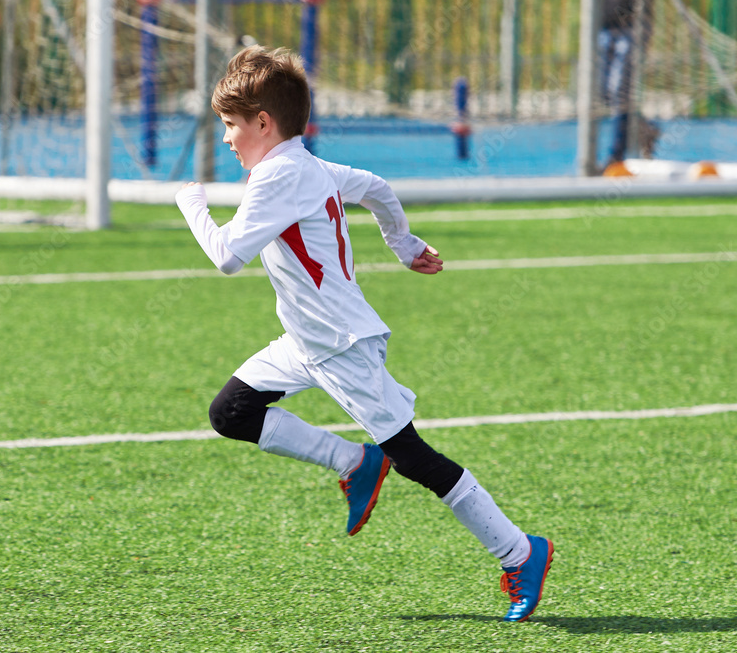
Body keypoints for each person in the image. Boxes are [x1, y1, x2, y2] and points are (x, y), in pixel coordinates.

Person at [175, 46, 553, 622]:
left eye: (230, 125)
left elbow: (227, 256)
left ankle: (521, 552)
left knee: (414, 457)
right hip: (309, 342)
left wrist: (192, 206)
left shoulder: (278, 174)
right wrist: (403, 245)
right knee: (232, 412)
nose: (226, 138)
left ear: (262, 122)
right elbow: (375, 186)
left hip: (341, 346)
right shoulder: (309, 166)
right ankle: (355, 463)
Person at [599, 0, 659, 166]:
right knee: (603, 93)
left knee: (620, 90)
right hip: (604, 26)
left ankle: (616, 157)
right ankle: (644, 129)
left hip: (633, 25)